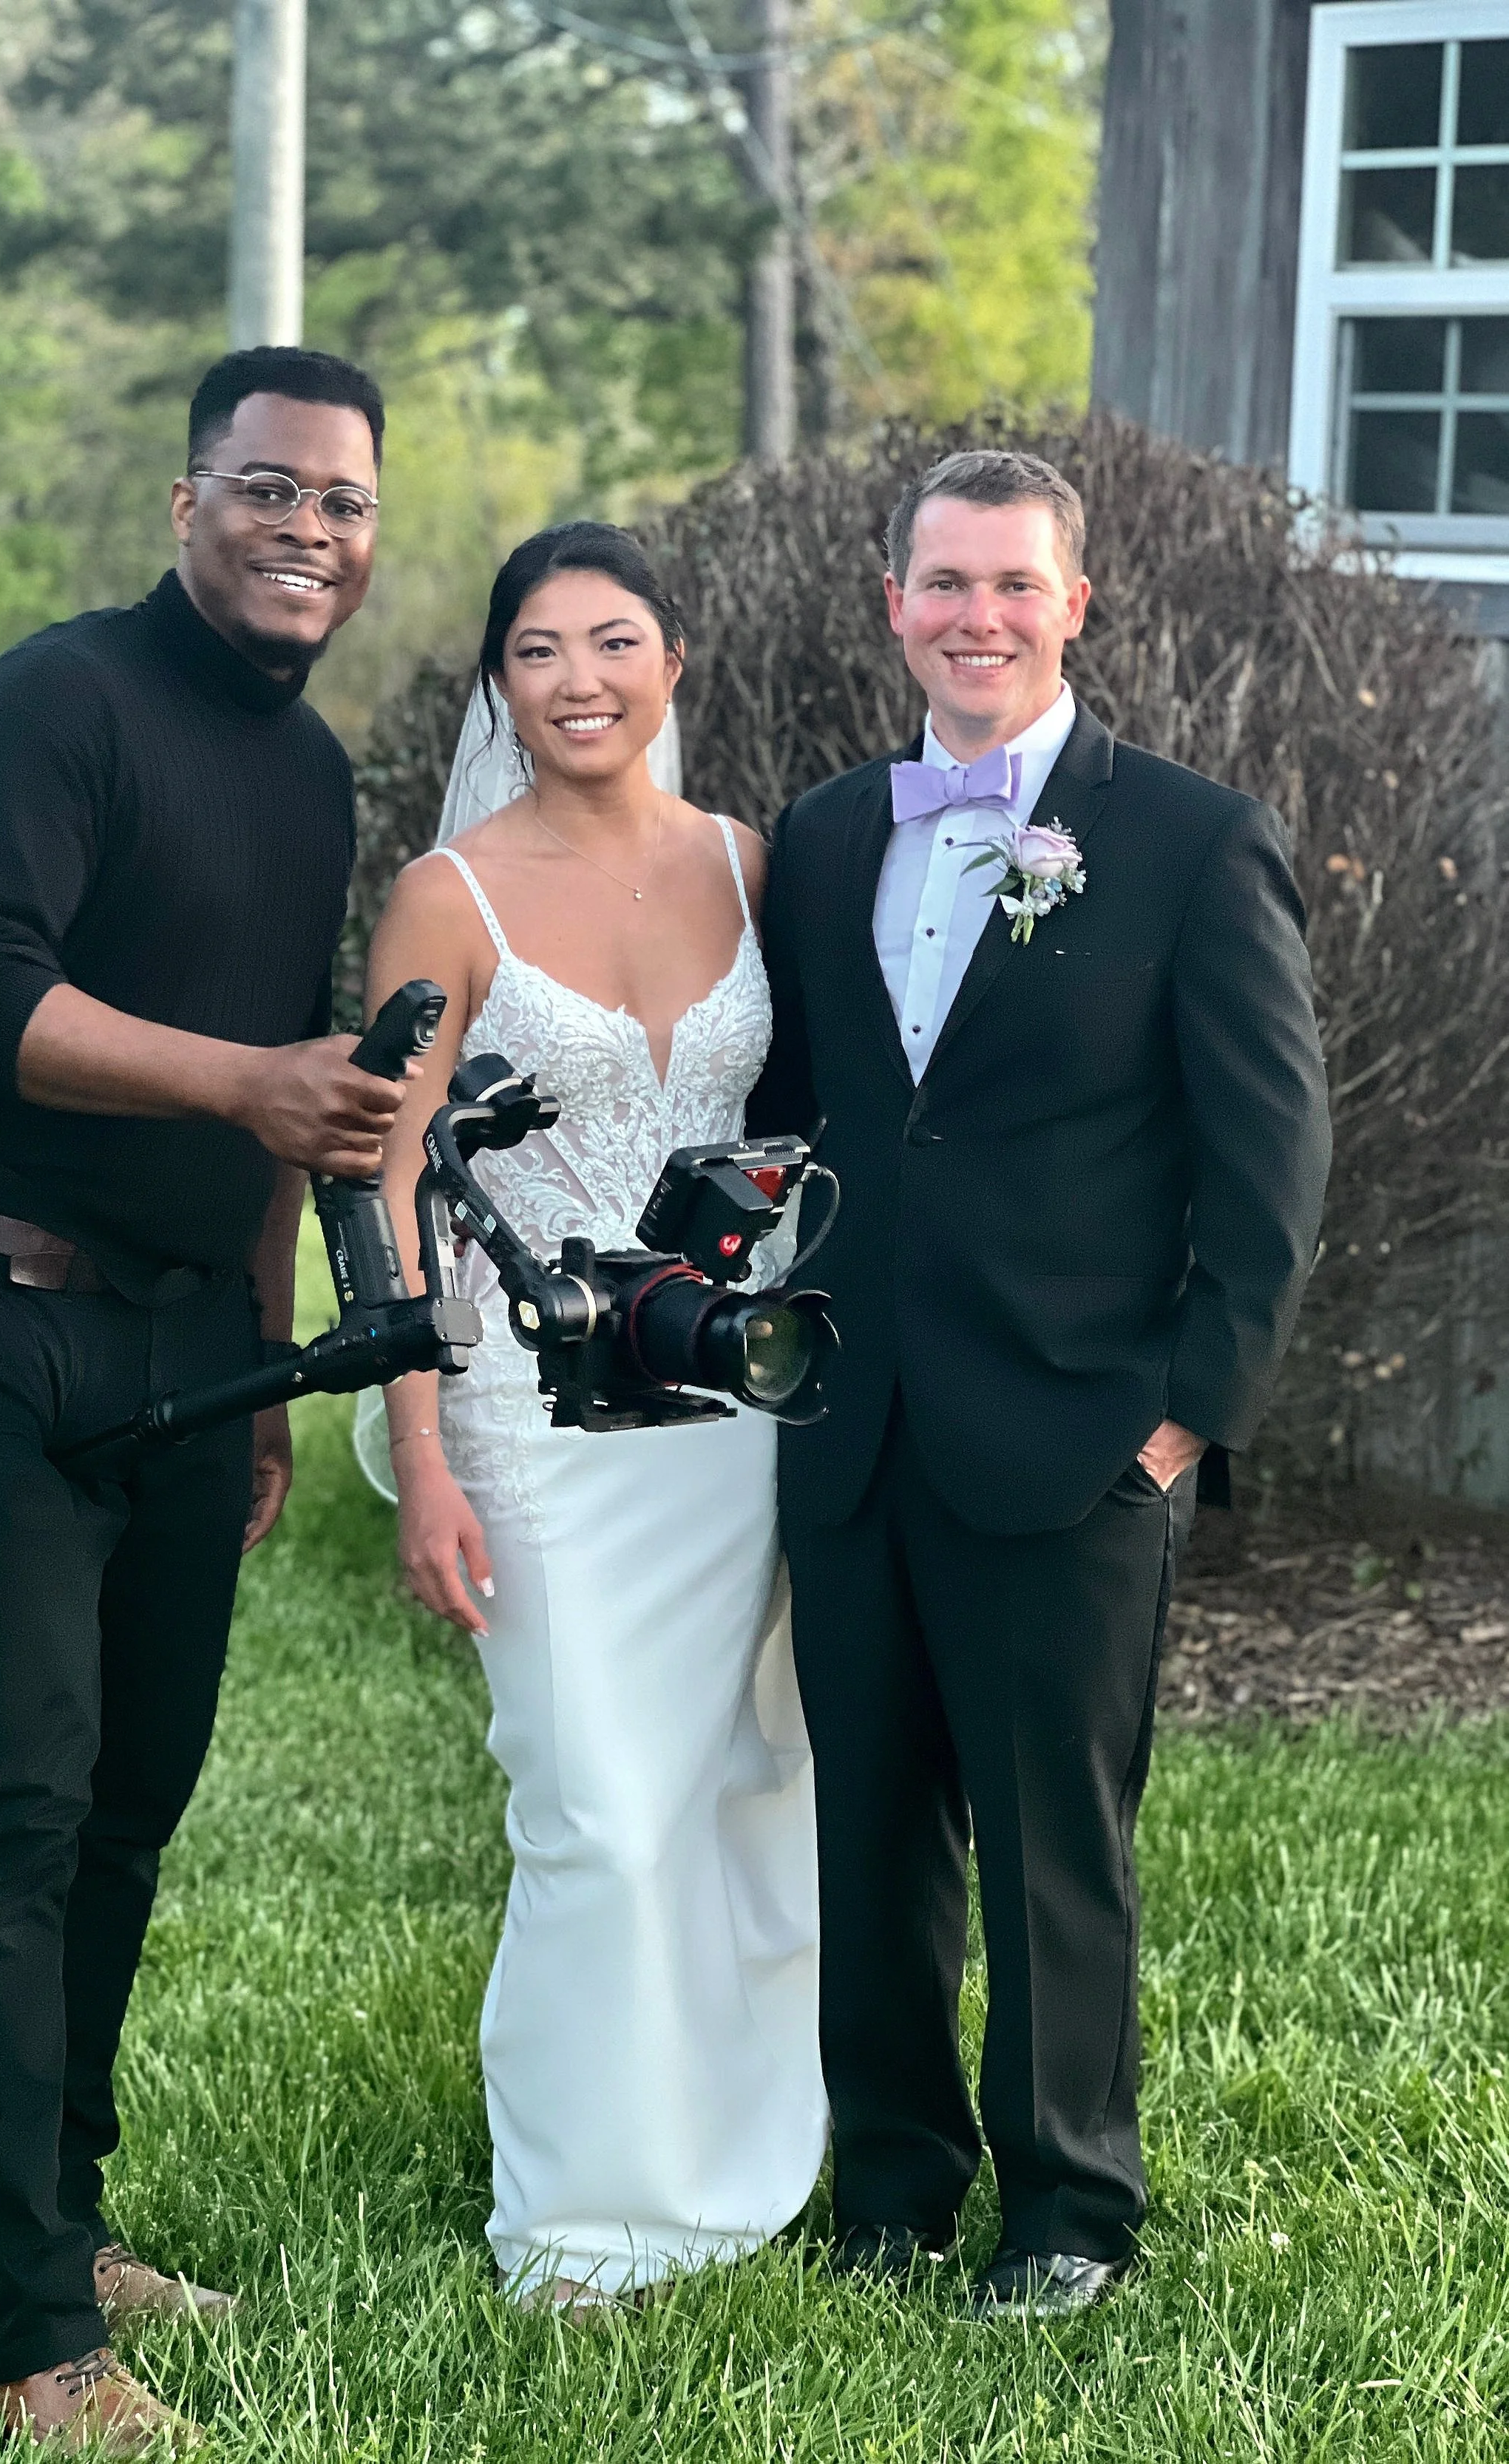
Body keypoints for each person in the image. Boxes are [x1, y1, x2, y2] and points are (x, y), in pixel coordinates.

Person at [0, 347, 404, 2451]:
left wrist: (259, 1380)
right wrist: (247, 1080)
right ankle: (28, 2338)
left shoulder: (312, 774)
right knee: (11, 1810)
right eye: (267, 487)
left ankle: (65, 2221)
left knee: (128, 1809)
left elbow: (285, 1096)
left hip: (183, 1353)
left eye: (341, 501)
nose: (304, 529)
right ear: (187, 501)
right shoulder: (52, 703)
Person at [752, 449, 1332, 2317]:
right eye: (942, 582)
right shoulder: (824, 835)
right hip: (855, 1427)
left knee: (1050, 1846)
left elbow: (1269, 1164)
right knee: (870, 1831)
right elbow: (808, 1116)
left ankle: (1068, 2209)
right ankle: (890, 2188)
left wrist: (1180, 1418)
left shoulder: (1189, 841)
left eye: (1013, 582)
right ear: (893, 604)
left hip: (1076, 1431)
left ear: (1074, 602)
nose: (976, 616)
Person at [364, 523, 824, 2312]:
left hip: (725, 1393)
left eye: (612, 640)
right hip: (527, 1404)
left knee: (748, 1781)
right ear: (498, 685)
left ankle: (746, 2158)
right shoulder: (447, 896)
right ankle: (582, 2220)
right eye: (538, 650)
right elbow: (384, 1183)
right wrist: (419, 1453)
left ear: (671, 662)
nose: (579, 679)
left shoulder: (746, 861)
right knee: (595, 1809)